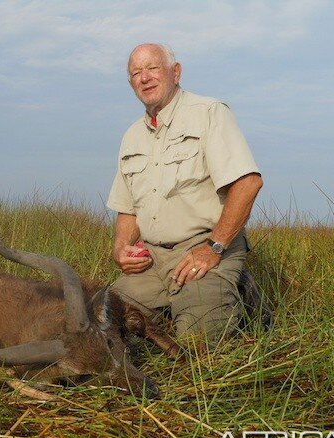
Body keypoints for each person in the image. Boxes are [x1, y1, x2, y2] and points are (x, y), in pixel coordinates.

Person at [107, 43, 264, 343]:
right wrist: (120, 250)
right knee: (103, 323)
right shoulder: (131, 136)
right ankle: (178, 304)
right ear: (131, 84)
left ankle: (240, 294)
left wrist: (213, 248)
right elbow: (128, 209)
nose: (145, 78)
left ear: (175, 72)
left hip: (203, 248)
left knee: (196, 342)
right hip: (152, 260)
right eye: (136, 73)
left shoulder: (209, 113)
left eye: (153, 68)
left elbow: (248, 183)